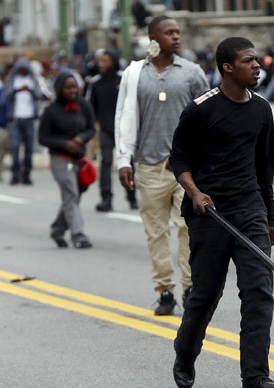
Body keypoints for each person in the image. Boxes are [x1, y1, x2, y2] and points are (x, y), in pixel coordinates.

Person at [170, 37, 274, 388]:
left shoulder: (262, 109)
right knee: (205, 295)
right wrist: (195, 192)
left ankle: (255, 376)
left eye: (257, 59)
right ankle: (186, 352)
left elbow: (265, 168)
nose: (257, 65)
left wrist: (270, 217)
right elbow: (180, 158)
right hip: (210, 214)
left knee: (258, 293)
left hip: (250, 210)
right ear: (228, 67)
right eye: (249, 61)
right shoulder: (201, 109)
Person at [115, 15, 208, 315]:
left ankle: (190, 288)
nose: (176, 37)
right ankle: (164, 290)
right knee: (156, 232)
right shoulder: (134, 74)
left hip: (186, 170)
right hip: (148, 165)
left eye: (178, 32)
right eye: (169, 32)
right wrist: (123, 159)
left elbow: (208, 119)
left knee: (188, 229)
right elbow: (124, 117)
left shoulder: (192, 73)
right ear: (153, 37)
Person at [39, 71, 95, 249]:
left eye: (74, 87)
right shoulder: (51, 110)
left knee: (74, 196)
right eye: (68, 87)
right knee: (71, 193)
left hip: (79, 158)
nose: (72, 91)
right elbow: (43, 138)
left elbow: (91, 128)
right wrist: (65, 144)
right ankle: (78, 234)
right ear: (59, 89)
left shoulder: (83, 105)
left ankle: (57, 229)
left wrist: (80, 139)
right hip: (60, 159)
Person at [86, 49, 138, 212]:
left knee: (128, 163)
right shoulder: (95, 83)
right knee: (106, 162)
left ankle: (131, 196)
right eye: (99, 61)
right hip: (106, 131)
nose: (101, 64)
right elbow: (90, 108)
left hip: (125, 131)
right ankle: (106, 199)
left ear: (113, 62)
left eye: (105, 61)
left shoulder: (124, 79)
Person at [4, 57, 43, 185]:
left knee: (29, 148)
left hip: (29, 118)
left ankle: (27, 173)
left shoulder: (32, 79)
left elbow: (39, 95)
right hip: (15, 118)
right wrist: (17, 90)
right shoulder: (12, 79)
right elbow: (6, 94)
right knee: (14, 147)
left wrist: (29, 90)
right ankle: (15, 173)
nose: (23, 72)